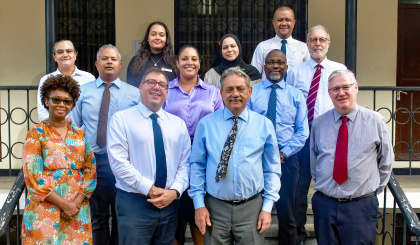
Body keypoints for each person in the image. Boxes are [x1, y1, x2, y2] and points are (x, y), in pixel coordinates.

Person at [189, 67, 281, 245]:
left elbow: (272, 169)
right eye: (229, 89)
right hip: (214, 208)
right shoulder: (206, 125)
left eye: (240, 88)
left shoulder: (264, 125)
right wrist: (199, 204)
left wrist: (267, 207)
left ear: (250, 91)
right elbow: (197, 166)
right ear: (221, 93)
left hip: (251, 208)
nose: (235, 94)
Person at [107, 67, 191, 245]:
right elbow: (119, 163)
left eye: (162, 84)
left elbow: (186, 164)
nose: (157, 87)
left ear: (167, 93)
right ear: (140, 87)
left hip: (169, 204)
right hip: (135, 203)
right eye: (151, 82)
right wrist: (150, 189)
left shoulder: (178, 124)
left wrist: (175, 191)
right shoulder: (121, 120)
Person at [310, 69, 394, 245]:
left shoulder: (376, 121)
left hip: (360, 206)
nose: (341, 93)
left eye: (345, 87)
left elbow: (386, 162)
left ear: (356, 88)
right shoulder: (319, 124)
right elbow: (314, 161)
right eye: (335, 89)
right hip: (325, 205)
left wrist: (370, 191)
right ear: (329, 93)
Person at [68, 44, 140, 245]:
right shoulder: (82, 92)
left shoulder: (134, 94)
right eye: (105, 58)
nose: (109, 62)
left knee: (121, 215)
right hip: (93, 162)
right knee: (97, 216)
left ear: (120, 64)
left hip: (123, 164)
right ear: (96, 64)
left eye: (113, 59)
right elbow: (72, 126)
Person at [286, 25, 347, 244]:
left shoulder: (339, 70)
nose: (317, 44)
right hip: (302, 138)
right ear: (307, 44)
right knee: (299, 189)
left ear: (328, 43)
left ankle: (330, 232)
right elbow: (288, 105)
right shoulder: (295, 73)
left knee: (328, 186)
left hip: (330, 136)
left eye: (322, 40)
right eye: (313, 40)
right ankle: (299, 234)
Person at [22, 74, 96, 244]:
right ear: (46, 101)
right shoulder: (36, 133)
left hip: (77, 210)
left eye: (67, 101)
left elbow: (90, 171)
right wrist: (64, 204)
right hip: (45, 209)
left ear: (72, 105)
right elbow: (33, 178)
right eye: (56, 99)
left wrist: (75, 203)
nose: (61, 104)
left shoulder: (79, 133)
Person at [163, 45, 223, 245]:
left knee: (199, 218)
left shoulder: (212, 92)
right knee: (175, 218)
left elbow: (221, 123)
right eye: (185, 58)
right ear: (177, 62)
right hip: (172, 158)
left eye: (194, 59)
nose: (189, 62)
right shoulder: (166, 89)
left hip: (204, 158)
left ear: (199, 63)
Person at [247, 49, 308, 245]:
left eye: (280, 62)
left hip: (288, 160)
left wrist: (283, 153)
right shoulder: (252, 93)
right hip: (256, 159)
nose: (275, 66)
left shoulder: (296, 95)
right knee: (255, 211)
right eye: (271, 62)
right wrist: (262, 152)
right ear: (264, 67)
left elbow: (302, 131)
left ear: (286, 68)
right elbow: (246, 126)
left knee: (287, 213)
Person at [37, 40, 95, 122]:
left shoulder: (88, 79)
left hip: (82, 131)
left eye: (69, 51)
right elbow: (42, 111)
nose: (65, 55)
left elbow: (93, 109)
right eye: (60, 52)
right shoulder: (46, 80)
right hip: (54, 131)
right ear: (54, 57)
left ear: (75, 55)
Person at [251, 7, 309, 80]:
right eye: (280, 20)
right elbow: (254, 76)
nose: (284, 23)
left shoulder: (303, 47)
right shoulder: (263, 47)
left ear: (293, 23)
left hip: (296, 90)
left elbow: (309, 73)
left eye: (287, 20)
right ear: (273, 23)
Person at [127, 21, 178, 87]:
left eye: (161, 35)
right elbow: (130, 89)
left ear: (166, 39)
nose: (157, 37)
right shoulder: (135, 61)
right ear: (148, 38)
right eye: (153, 34)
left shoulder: (175, 62)